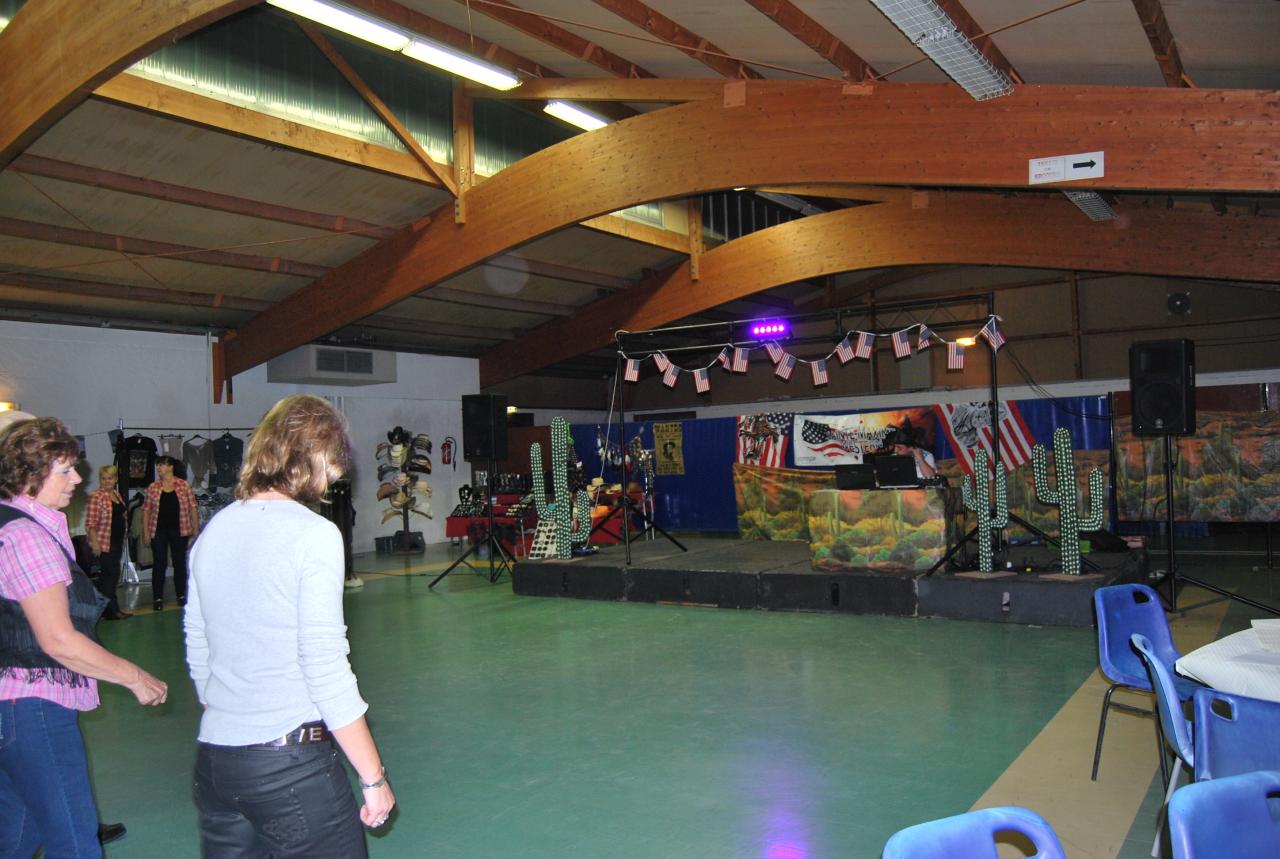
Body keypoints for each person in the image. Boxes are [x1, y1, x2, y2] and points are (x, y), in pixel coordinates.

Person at [186, 395, 394, 856]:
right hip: (290, 771)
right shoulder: (314, 534)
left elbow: (198, 644)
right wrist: (373, 777)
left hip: (216, 761)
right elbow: (324, 663)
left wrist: (233, 716)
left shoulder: (214, 530)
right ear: (315, 459)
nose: (333, 479)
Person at [0, 416, 168, 857]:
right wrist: (134, 677)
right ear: (29, 476)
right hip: (33, 710)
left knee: (16, 835)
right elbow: (57, 640)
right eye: (65, 470)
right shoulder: (26, 537)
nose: (78, 478)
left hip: (11, 710)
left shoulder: (13, 523)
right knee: (75, 840)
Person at [141, 454, 198, 611]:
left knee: (179, 562)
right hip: (158, 529)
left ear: (171, 467)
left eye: (162, 464)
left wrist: (195, 527)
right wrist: (146, 532)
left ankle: (181, 595)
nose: (159, 468)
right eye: (158, 465)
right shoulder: (153, 487)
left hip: (180, 528)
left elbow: (193, 507)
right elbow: (146, 510)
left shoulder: (183, 485)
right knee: (159, 562)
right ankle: (157, 597)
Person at [84, 465, 130, 620]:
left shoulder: (116, 495)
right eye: (103, 478)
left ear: (115, 479)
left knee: (109, 577)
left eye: (109, 478)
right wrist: (95, 543)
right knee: (110, 575)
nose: (106, 481)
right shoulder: (96, 496)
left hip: (117, 541)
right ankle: (113, 610)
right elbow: (90, 523)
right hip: (104, 542)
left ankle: (105, 611)